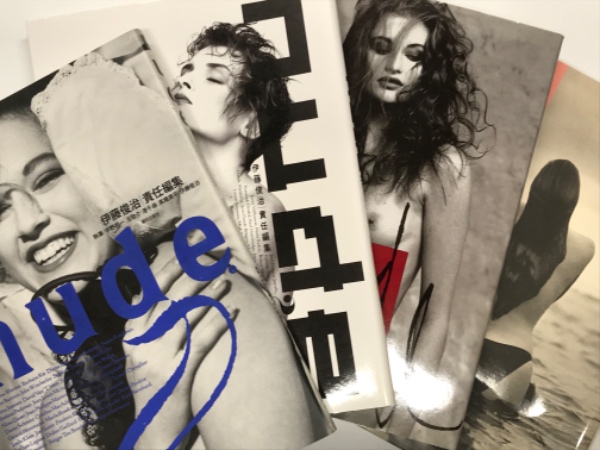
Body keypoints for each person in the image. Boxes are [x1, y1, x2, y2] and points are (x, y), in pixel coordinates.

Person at [0, 53, 330, 449]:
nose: (28, 223)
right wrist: (158, 418)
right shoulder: (65, 404)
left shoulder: (200, 298)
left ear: (94, 169)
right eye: (0, 208)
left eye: (47, 178)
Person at [340, 0, 489, 433]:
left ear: (431, 69)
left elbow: (433, 315)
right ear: (360, 49)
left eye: (414, 55)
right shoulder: (322, 135)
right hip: (274, 350)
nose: (394, 65)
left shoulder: (441, 166)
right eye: (381, 46)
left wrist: (402, 425)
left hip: (353, 380)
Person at [169, 22, 294, 311]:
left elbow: (199, 308)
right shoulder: (174, 198)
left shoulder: (261, 212)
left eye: (214, 79)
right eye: (185, 71)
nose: (184, 81)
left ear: (251, 124)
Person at [476, 160, 595, 410]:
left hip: (470, 338)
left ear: (534, 188)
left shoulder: (505, 214)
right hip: (513, 363)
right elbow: (555, 294)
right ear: (571, 202)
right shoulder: (584, 249)